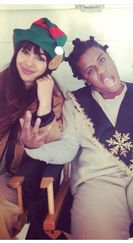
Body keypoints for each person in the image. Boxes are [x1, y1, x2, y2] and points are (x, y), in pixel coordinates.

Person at [20, 36, 133, 239]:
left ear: (110, 58)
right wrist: (36, 147)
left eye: (102, 60)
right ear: (85, 79)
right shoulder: (75, 103)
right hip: (97, 183)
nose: (101, 71)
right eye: (90, 70)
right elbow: (68, 148)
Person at [0, 17, 67, 239]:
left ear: (50, 64)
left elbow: (53, 149)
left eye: (39, 58)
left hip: (13, 179)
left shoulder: (55, 98)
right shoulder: (2, 82)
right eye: (25, 52)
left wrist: (45, 104)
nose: (29, 62)